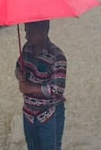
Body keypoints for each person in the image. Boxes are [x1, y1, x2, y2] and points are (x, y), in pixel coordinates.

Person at [15, 20, 66, 150]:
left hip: (50, 115)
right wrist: (20, 75)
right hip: (29, 114)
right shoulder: (27, 48)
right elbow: (18, 68)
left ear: (44, 31)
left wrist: (29, 88)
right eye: (26, 31)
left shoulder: (57, 56)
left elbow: (57, 90)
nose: (26, 36)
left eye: (31, 33)